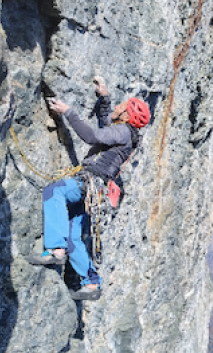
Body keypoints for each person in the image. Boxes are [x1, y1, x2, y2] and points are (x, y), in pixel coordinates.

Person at [25, 77, 150, 300]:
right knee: (73, 235)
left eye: (121, 107)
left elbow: (92, 136)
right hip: (95, 191)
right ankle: (92, 283)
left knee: (54, 191)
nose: (117, 107)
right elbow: (105, 124)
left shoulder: (122, 131)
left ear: (127, 116)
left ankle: (55, 249)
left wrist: (68, 111)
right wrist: (104, 97)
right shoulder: (125, 134)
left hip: (89, 182)